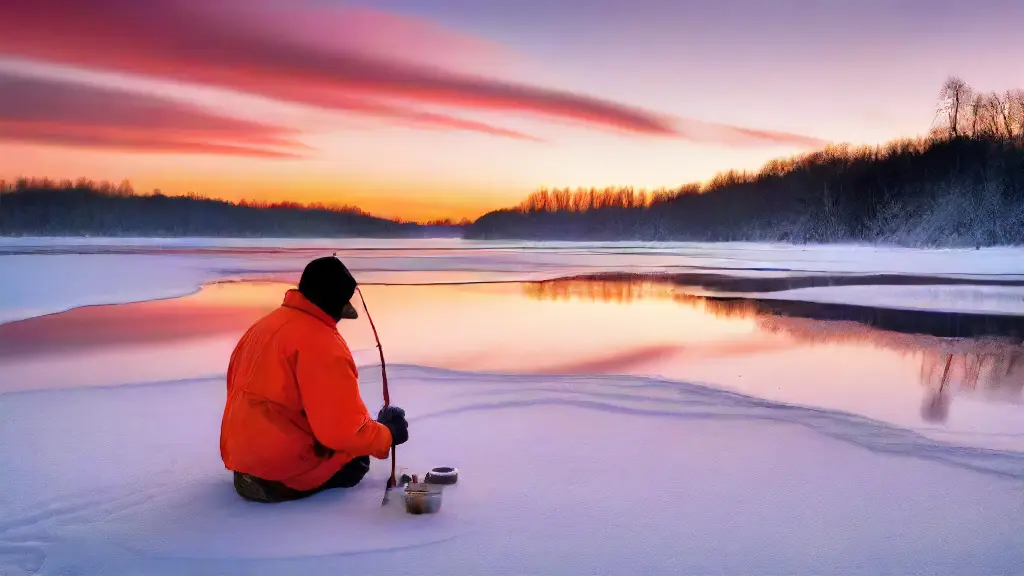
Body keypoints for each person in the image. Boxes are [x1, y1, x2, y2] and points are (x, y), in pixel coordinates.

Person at [220, 255, 409, 503]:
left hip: (242, 459)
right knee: (356, 460)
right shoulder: (323, 344)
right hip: (280, 468)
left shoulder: (264, 326)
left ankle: (256, 475)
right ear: (338, 304)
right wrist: (388, 435)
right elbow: (342, 433)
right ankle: (279, 483)